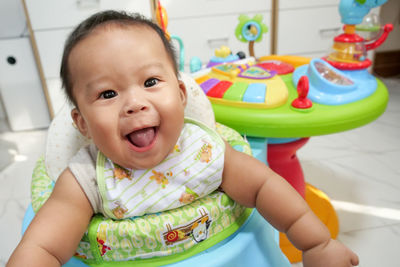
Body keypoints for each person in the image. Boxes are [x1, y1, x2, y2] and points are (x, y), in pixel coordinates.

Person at [7, 10, 359, 267]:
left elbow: (265, 187)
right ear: (82, 123)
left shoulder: (202, 149)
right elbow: (44, 247)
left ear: (180, 94)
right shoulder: (87, 178)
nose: (134, 103)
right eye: (107, 94)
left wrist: (317, 244)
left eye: (150, 83)